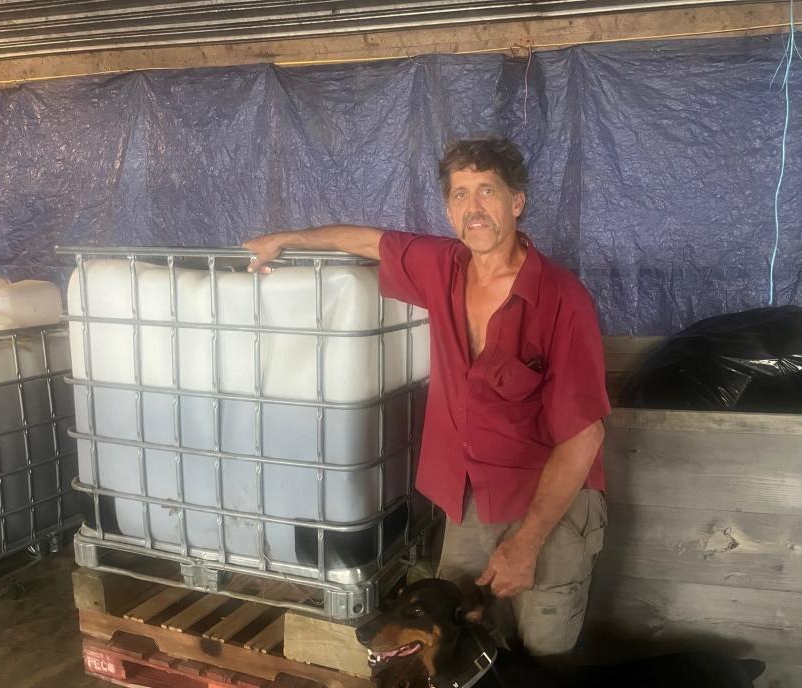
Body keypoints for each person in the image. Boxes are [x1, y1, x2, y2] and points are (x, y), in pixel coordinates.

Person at [244, 137, 610, 656]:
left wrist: (526, 544)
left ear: (516, 202)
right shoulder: (444, 267)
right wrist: (285, 238)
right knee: (461, 648)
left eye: (487, 191)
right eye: (459, 195)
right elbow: (371, 242)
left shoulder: (561, 298)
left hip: (550, 505)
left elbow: (584, 435)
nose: (473, 208)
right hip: (469, 498)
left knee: (540, 657)